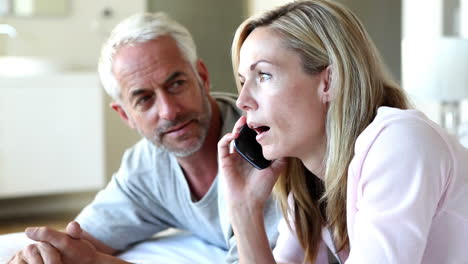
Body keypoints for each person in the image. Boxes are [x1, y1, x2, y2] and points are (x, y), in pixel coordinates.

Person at [7, 12, 281, 264]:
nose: (169, 111)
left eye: (176, 84)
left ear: (202, 77)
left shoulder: (265, 148)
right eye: (144, 99)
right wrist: (41, 255)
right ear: (125, 115)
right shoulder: (147, 165)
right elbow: (84, 241)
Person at [218, 0, 468, 263]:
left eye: (264, 76)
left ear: (329, 81)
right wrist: (244, 208)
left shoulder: (400, 142)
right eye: (244, 81)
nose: (242, 101)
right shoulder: (310, 187)